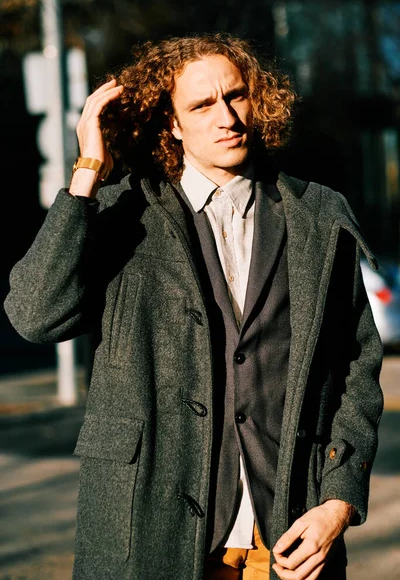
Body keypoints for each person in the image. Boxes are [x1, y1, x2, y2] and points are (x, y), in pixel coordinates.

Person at [4, 33, 383, 580]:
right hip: (146, 528)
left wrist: (338, 502)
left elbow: (357, 366)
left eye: (236, 96)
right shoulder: (122, 214)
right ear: (171, 125)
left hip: (287, 533)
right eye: (202, 105)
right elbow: (35, 315)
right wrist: (87, 170)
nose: (226, 117)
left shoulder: (318, 215)